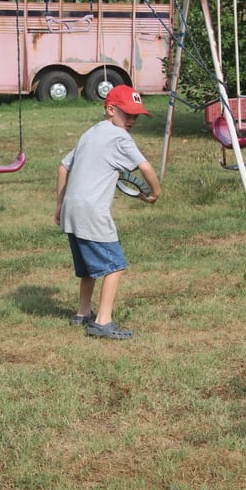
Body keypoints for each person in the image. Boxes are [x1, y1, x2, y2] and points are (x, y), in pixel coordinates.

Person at [54, 84, 161, 339]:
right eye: (128, 114)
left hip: (71, 208)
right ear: (111, 109)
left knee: (90, 268)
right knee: (115, 266)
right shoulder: (120, 137)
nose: (132, 120)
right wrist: (156, 193)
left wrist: (59, 204)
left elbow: (62, 167)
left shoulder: (90, 133)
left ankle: (82, 313)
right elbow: (145, 168)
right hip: (92, 211)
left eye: (136, 115)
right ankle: (103, 322)